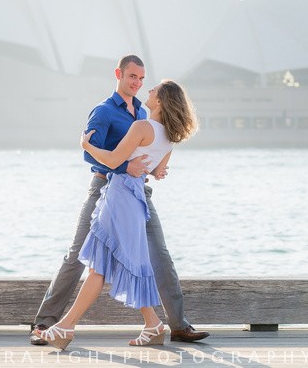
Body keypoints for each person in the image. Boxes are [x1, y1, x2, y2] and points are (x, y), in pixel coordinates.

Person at [30, 55, 209, 346]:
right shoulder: (104, 111)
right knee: (78, 255)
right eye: (132, 77)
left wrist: (150, 169)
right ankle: (46, 323)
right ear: (119, 74)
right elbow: (90, 154)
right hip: (104, 187)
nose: (138, 83)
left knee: (158, 256)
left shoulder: (143, 114)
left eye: (142, 79)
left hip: (136, 194)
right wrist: (127, 166)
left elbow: (147, 152)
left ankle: (177, 325)